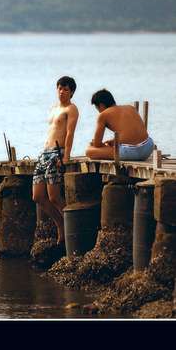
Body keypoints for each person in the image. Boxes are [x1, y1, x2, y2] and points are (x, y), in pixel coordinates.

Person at [32, 76, 79, 245]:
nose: (62, 92)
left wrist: (65, 156)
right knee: (37, 196)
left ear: (71, 92)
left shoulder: (72, 109)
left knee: (54, 197)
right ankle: (60, 223)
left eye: (66, 89)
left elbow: (70, 133)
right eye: (59, 88)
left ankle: (71, 226)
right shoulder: (53, 108)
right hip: (44, 153)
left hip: (57, 153)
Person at [85, 89, 154, 161]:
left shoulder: (103, 115)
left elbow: (97, 144)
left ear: (101, 105)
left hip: (129, 152)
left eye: (97, 108)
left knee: (89, 151)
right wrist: (114, 141)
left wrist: (97, 144)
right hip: (148, 148)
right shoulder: (131, 108)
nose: (99, 112)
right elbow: (132, 133)